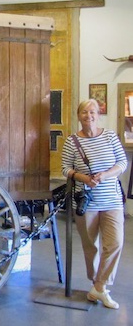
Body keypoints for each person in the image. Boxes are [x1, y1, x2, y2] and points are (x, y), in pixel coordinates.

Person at [61, 99, 128, 309]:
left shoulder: (109, 136)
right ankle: (97, 288)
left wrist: (105, 175)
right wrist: (82, 177)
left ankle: (100, 287)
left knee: (115, 243)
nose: (88, 116)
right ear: (78, 115)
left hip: (112, 201)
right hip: (86, 202)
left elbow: (122, 163)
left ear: (98, 115)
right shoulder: (72, 141)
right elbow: (65, 168)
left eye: (92, 112)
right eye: (83, 112)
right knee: (91, 247)